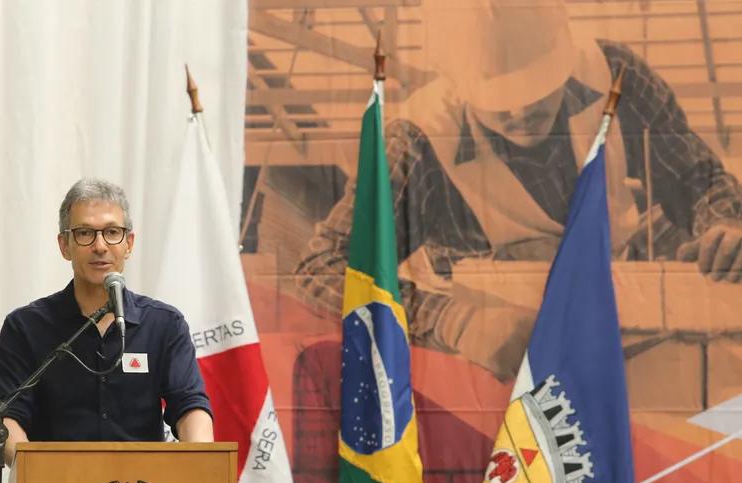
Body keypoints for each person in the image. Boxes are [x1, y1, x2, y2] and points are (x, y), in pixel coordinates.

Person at [295, 0, 742, 381]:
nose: (522, 110)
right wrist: (451, 320)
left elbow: (693, 177)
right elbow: (322, 268)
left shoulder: (616, 77)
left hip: (613, 311)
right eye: (499, 100)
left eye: (538, 89)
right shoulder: (416, 144)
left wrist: (723, 222)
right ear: (457, 81)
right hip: (485, 361)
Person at [0, 178, 214, 464]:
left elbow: (189, 406)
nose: (100, 246)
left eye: (112, 232)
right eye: (85, 233)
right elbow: (9, 420)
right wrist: (34, 473)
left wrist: (203, 461)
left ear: (129, 243)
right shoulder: (26, 327)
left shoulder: (164, 325)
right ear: (65, 246)